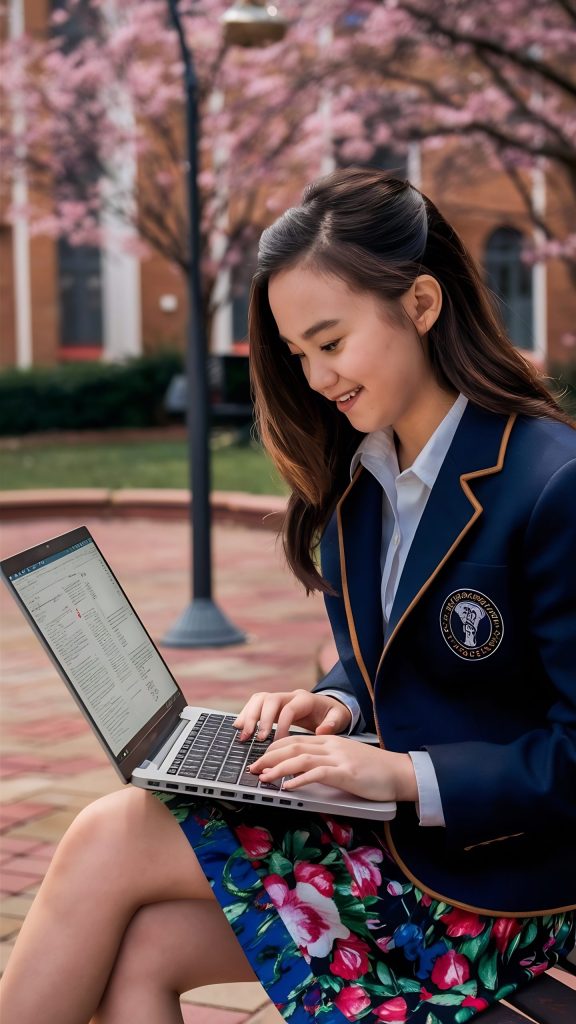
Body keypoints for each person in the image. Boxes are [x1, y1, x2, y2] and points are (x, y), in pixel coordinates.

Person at [1, 167, 575, 1024]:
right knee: (141, 950)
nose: (313, 377)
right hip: (400, 846)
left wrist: (402, 773)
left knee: (112, 835)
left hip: (495, 886)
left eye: (330, 342)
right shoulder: (366, 482)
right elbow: (389, 655)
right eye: (298, 353)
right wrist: (336, 703)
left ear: (421, 303)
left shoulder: (551, 480)